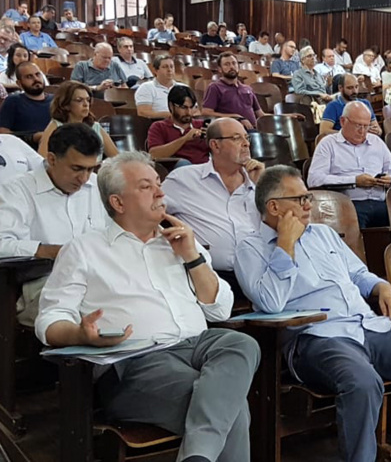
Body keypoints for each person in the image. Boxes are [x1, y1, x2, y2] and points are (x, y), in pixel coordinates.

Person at [235, 165, 391, 461]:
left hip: (369, 325)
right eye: (300, 199)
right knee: (363, 383)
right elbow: (271, 303)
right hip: (317, 338)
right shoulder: (250, 249)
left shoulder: (323, 234)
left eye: (308, 197)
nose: (309, 204)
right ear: (274, 207)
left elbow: (359, 274)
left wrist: (382, 286)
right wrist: (285, 244)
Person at [35, 150, 260, 462]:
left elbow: (219, 311)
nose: (160, 192)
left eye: (158, 183)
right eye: (145, 186)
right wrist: (79, 334)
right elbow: (48, 320)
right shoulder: (84, 250)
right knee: (231, 406)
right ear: (118, 202)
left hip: (199, 346)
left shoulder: (182, 240)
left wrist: (193, 257)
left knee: (240, 342)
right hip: (138, 362)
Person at [0, 123, 108, 325]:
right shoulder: (17, 190)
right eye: (77, 169)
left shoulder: (97, 185)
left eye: (90, 169)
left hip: (99, 276)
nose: (84, 178)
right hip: (44, 282)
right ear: (51, 160)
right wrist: (53, 251)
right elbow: (2, 244)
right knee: (104, 306)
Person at [161, 118, 264, 272]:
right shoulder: (183, 180)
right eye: (237, 138)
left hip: (261, 272)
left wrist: (263, 186)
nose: (246, 143)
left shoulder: (258, 181)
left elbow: (280, 225)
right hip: (210, 275)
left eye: (246, 137)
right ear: (215, 145)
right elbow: (147, 211)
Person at [308, 102, 391, 228]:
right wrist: (354, 181)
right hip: (348, 205)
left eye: (366, 126)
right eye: (358, 125)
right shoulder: (328, 144)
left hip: (381, 202)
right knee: (355, 224)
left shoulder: (376, 142)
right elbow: (314, 179)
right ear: (343, 122)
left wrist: (390, 179)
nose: (362, 131)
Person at [37, 81, 118, 160]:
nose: (86, 104)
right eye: (79, 100)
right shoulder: (55, 126)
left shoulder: (95, 127)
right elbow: (42, 159)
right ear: (65, 105)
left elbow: (116, 159)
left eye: (88, 100)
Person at [147, 85, 210, 167]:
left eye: (191, 107)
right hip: (177, 172)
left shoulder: (202, 125)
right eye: (184, 107)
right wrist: (185, 138)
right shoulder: (159, 127)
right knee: (183, 164)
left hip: (204, 169)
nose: (189, 112)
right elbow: (154, 154)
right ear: (171, 106)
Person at [202, 52, 266, 130]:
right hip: (231, 131)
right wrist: (236, 118)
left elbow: (260, 113)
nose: (231, 67)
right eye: (227, 64)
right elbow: (206, 112)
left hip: (254, 130)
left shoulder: (247, 88)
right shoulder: (214, 87)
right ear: (219, 69)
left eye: (234, 63)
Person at [0, 62, 54, 147]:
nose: (36, 79)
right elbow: (3, 133)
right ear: (19, 83)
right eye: (29, 77)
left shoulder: (56, 100)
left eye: (37, 74)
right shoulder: (13, 101)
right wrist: (32, 137)